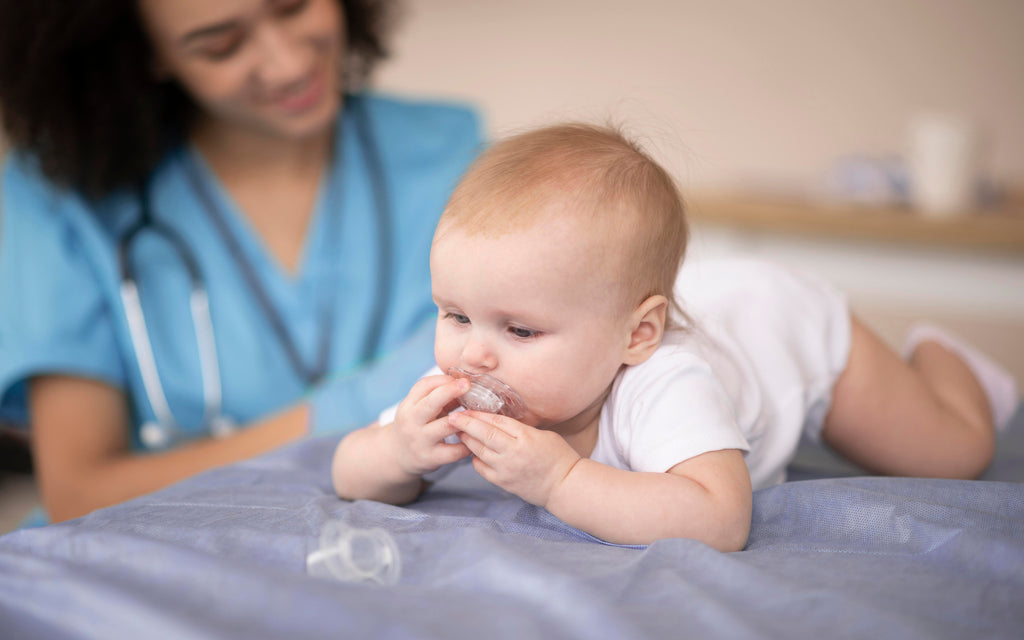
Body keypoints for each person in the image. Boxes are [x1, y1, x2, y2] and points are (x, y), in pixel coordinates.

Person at [330, 123, 1018, 551]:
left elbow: (719, 519)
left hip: (786, 327)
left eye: (520, 329)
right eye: (454, 315)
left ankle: (941, 355)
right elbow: (346, 471)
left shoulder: (666, 383)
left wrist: (561, 479)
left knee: (952, 452)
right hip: (710, 302)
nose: (474, 353)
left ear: (637, 336)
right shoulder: (468, 383)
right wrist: (399, 451)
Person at [0, 0, 482, 523]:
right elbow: (80, 493)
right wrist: (353, 409)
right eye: (220, 45)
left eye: (295, 7)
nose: (287, 64)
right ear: (145, 53)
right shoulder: (62, 195)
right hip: (160, 555)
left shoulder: (452, 155)